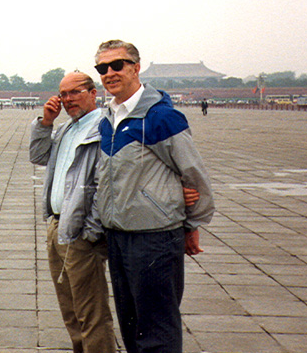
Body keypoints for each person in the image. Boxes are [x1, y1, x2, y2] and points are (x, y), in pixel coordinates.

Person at [30, 72, 200, 353]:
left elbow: (109, 181)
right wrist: (46, 123)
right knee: (70, 309)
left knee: (90, 312)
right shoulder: (64, 129)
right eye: (63, 94)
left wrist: (92, 229)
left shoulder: (103, 127)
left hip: (81, 232)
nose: (68, 99)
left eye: (75, 92)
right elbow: (38, 156)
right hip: (57, 225)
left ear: (92, 92)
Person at [93, 39, 215, 353]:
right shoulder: (110, 117)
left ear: (135, 67)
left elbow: (194, 175)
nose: (109, 73)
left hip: (154, 238)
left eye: (117, 65)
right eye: (102, 68)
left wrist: (192, 225)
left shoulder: (161, 117)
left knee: (157, 329)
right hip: (118, 235)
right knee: (131, 324)